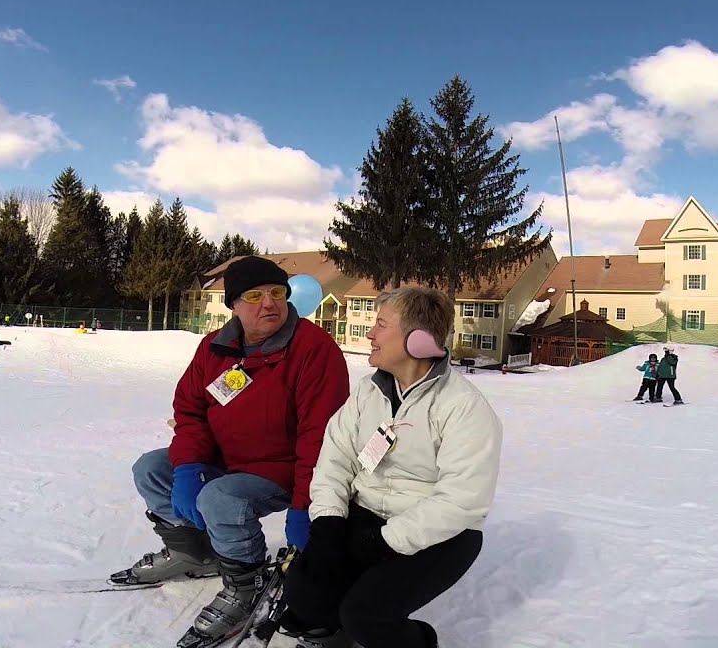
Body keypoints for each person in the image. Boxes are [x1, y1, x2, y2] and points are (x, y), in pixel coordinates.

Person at [114, 255, 351, 645]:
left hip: (282, 469)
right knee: (151, 469)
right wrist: (188, 467)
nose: (269, 303)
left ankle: (246, 583)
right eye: (254, 296)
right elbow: (191, 410)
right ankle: (195, 552)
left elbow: (321, 436)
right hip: (226, 458)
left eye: (277, 293)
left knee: (220, 498)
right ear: (234, 305)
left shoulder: (314, 349)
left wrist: (306, 505)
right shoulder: (215, 348)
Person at [278, 286, 503, 648]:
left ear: (419, 341)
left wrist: (386, 541)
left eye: (381, 325)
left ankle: (417, 641)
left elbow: (463, 501)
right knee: (303, 593)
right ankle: (335, 624)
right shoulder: (368, 391)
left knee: (366, 616)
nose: (370, 334)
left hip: (442, 535)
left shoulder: (463, 407)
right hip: (368, 517)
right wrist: (329, 522)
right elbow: (335, 458)